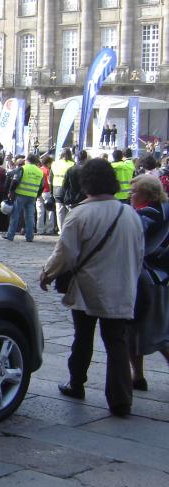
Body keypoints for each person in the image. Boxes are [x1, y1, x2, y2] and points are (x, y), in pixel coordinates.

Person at [39, 158, 144, 416]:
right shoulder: (130, 214)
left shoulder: (80, 214)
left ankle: (76, 383)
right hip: (121, 286)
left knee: (83, 337)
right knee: (116, 341)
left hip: (88, 286)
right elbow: (139, 253)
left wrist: (47, 274)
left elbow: (65, 253)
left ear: (85, 183)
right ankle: (121, 400)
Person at [127, 175, 169, 391]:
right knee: (139, 330)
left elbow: (131, 240)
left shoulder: (147, 215)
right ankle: (137, 376)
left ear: (148, 194)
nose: (130, 195)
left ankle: (138, 375)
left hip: (147, 278)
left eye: (135, 191)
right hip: (161, 276)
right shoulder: (164, 209)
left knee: (155, 333)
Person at [2, 154, 43, 242]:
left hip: (20, 194)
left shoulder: (23, 169)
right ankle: (29, 236)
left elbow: (15, 181)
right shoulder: (40, 171)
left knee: (15, 215)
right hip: (32, 196)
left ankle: (10, 235)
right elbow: (42, 186)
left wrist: (11, 191)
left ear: (27, 160)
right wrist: (37, 195)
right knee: (30, 217)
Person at [37, 156, 56, 234]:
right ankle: (49, 229)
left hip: (38, 192)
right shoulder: (48, 171)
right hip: (47, 191)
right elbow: (49, 182)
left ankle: (39, 229)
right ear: (48, 163)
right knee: (49, 211)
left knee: (40, 211)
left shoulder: (39, 170)